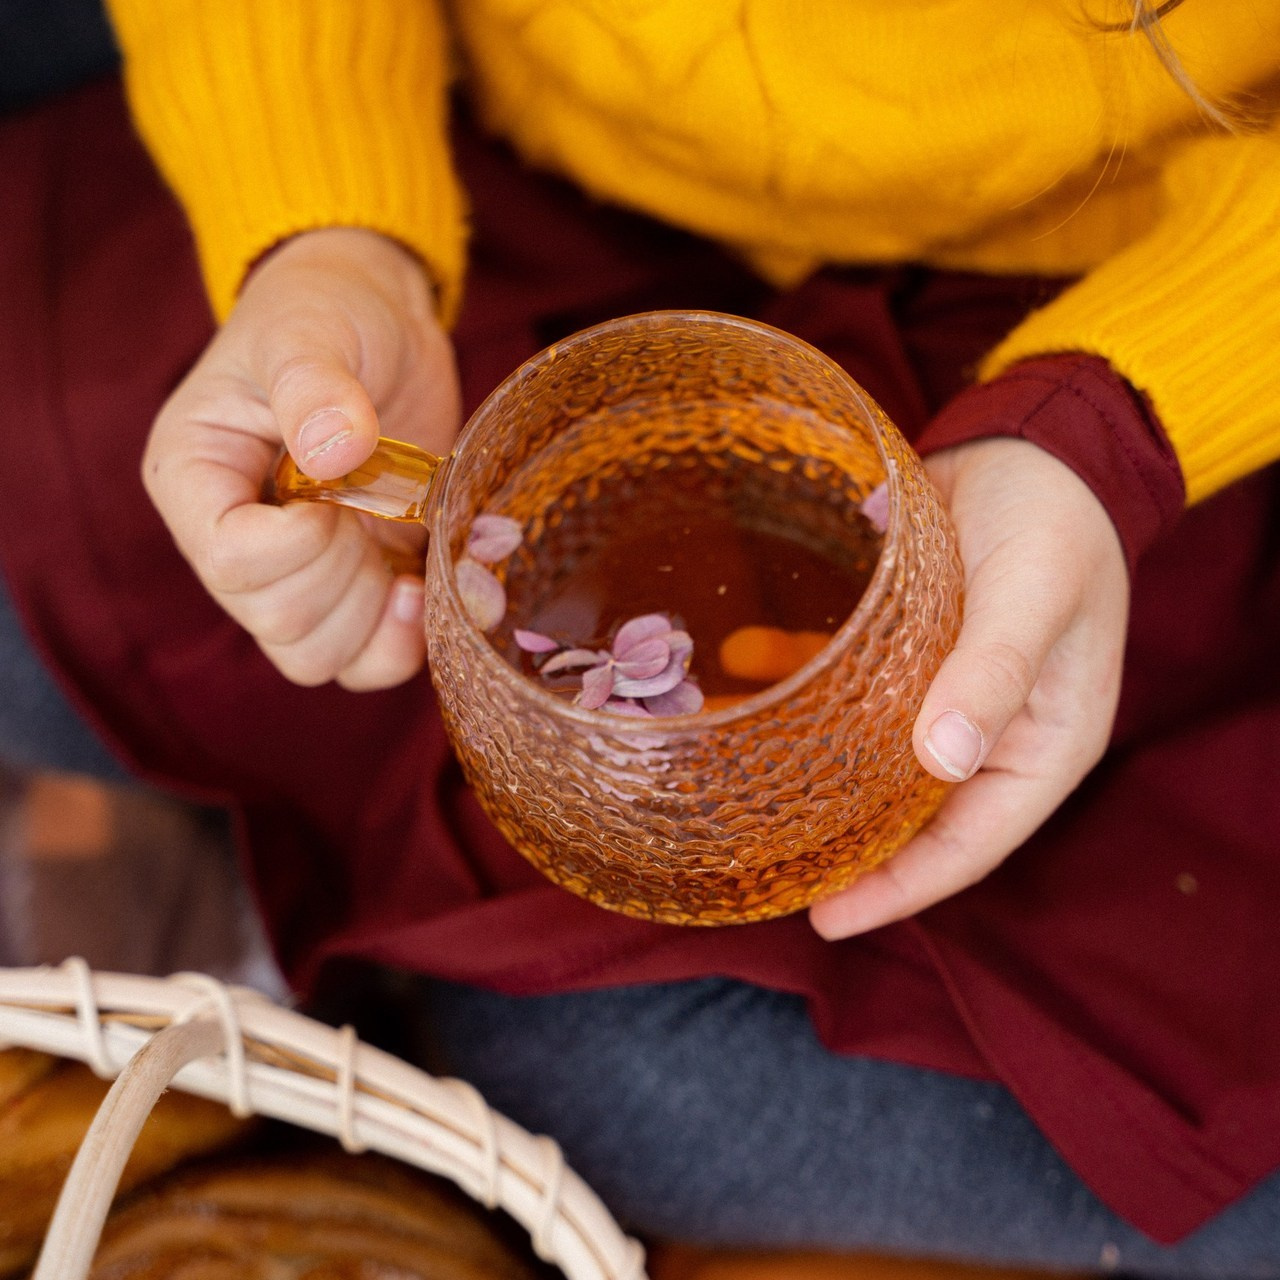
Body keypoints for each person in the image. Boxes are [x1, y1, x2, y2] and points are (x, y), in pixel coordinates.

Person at [1, 0, 1278, 1273]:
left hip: (1132, 284)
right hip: (501, 163)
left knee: (605, 1076)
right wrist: (327, 232)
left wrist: (1115, 425)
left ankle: (328, 872)